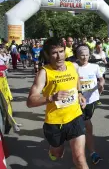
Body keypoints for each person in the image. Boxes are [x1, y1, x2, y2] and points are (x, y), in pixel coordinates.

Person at [26, 37, 89, 169]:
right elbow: (30, 101)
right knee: (57, 153)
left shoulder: (73, 66)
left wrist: (79, 93)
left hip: (75, 117)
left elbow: (76, 80)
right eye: (54, 53)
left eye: (61, 51)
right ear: (47, 55)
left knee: (79, 158)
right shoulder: (44, 73)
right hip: (55, 122)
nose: (59, 56)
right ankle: (53, 149)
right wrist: (51, 98)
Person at [76, 45, 105, 165]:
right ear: (77, 56)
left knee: (85, 125)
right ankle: (91, 152)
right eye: (82, 54)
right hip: (77, 101)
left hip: (91, 100)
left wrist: (100, 84)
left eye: (87, 54)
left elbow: (101, 79)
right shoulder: (74, 68)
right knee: (85, 126)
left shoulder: (94, 67)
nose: (85, 57)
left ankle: (85, 149)